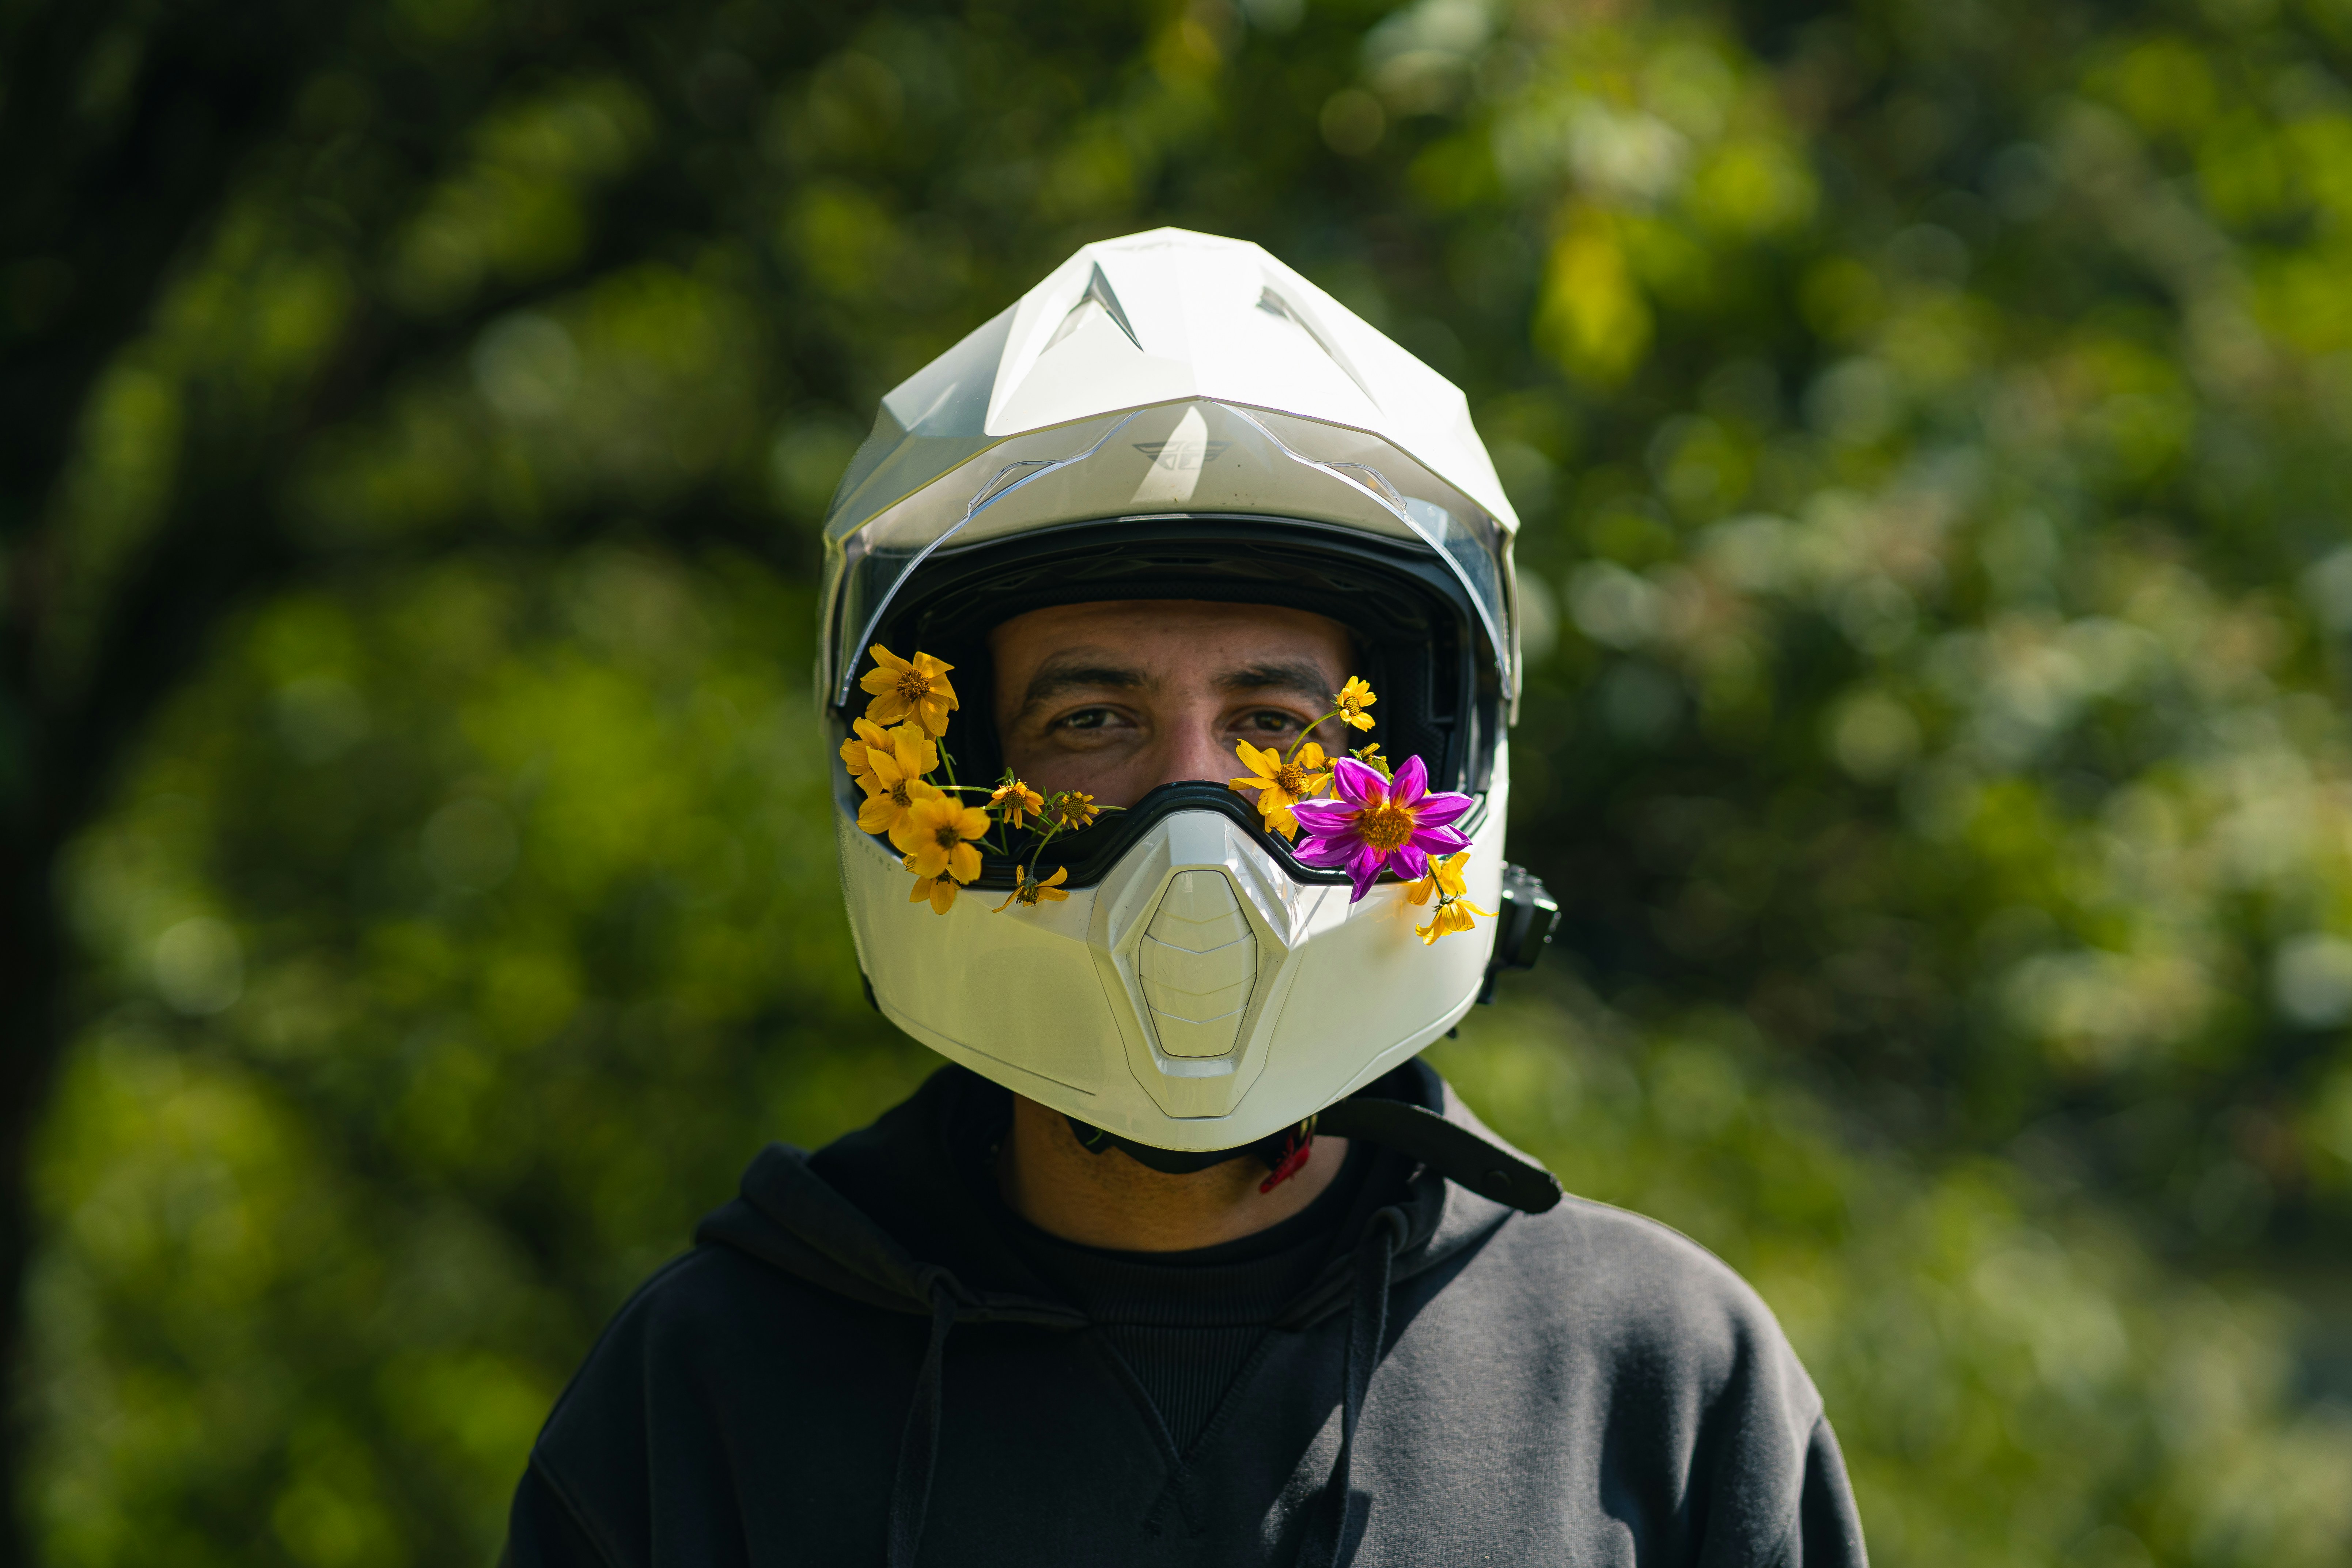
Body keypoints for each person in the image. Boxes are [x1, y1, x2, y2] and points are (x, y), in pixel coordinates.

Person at [502, 230, 1868, 1567]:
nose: (1192, 809)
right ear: (950, 782)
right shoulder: (713, 1386)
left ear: (1416, 779)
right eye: (1093, 718)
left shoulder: (1658, 1380)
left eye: (1273, 724)